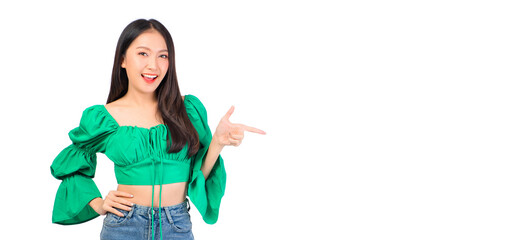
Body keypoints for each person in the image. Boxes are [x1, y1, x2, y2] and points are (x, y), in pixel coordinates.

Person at [50, 18, 266, 240]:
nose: (153, 65)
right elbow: (70, 164)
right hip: (124, 225)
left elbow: (197, 176)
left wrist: (218, 143)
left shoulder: (187, 110)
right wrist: (99, 203)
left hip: (177, 224)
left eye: (162, 56)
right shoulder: (103, 117)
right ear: (123, 59)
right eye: (143, 53)